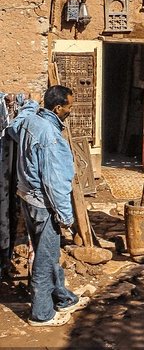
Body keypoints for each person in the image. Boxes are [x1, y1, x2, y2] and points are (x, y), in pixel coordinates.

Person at [6, 86, 89, 326]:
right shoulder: (51, 136)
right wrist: (65, 216)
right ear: (58, 108)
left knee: (50, 254)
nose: (70, 111)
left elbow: (12, 128)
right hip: (44, 204)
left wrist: (30, 106)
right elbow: (55, 182)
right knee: (45, 257)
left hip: (27, 198)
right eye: (69, 107)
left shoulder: (30, 121)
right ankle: (42, 314)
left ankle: (63, 298)